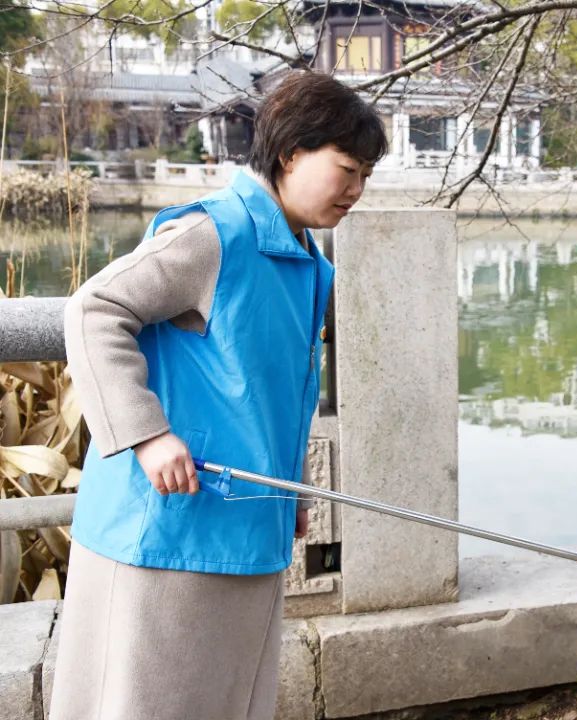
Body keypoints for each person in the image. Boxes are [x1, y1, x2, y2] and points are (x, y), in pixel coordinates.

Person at [50, 71, 387, 720]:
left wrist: (287, 491)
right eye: (346, 168)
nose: (357, 190)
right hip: (168, 529)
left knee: (230, 702)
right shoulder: (215, 233)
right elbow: (93, 312)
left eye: (365, 175)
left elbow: (274, 393)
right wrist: (147, 434)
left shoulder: (306, 260)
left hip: (247, 525)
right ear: (292, 153)